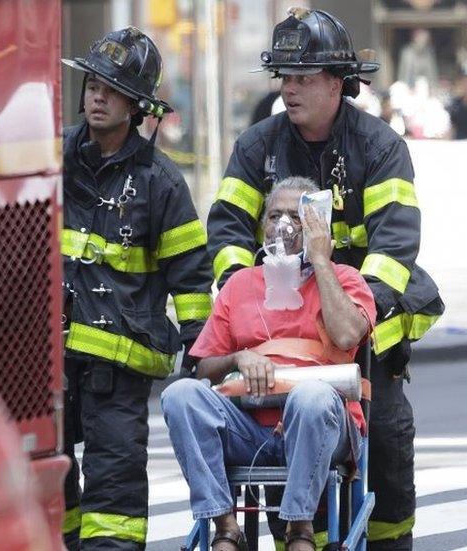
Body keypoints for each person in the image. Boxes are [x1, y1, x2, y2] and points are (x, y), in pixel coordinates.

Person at [207, 8, 444, 550]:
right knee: (280, 448)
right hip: (278, 341)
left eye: (303, 79)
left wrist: (354, 318)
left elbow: (393, 249)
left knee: (382, 447)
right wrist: (251, 303)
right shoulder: (257, 148)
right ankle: (301, 536)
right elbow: (224, 232)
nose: (289, 90)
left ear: (337, 84)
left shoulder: (380, 149)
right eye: (284, 78)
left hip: (359, 341)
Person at [163, 176, 376, 551]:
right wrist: (238, 357)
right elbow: (203, 367)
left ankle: (299, 529)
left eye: (296, 216)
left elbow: (346, 337)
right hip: (249, 427)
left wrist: (321, 259)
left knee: (310, 396)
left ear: (317, 225)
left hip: (321, 423)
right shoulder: (240, 284)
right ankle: (225, 526)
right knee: (180, 395)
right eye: (274, 214)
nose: (283, 225)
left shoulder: (346, 280)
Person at [60, 27, 213, 550]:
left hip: (119, 371)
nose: (97, 96)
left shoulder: (161, 182)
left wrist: (203, 354)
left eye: (112, 88)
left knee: (115, 498)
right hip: (49, 363)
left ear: (139, 105)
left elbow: (191, 278)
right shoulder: (53, 159)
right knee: (52, 488)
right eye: (92, 84)